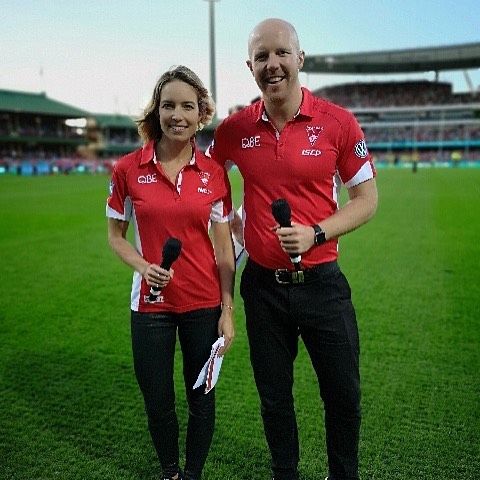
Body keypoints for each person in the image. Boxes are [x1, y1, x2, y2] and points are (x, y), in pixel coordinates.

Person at [208, 19, 378, 480]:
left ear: (299, 58)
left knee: (343, 395)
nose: (272, 64)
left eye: (281, 53)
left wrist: (316, 233)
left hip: (323, 284)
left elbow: (367, 200)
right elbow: (206, 178)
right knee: (274, 398)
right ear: (250, 67)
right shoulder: (234, 129)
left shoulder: (338, 123)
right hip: (263, 289)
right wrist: (231, 222)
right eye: (261, 56)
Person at [106, 65, 235, 480]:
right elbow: (115, 237)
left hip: (203, 303)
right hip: (150, 306)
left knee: (202, 400)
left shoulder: (214, 174)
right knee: (158, 402)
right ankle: (170, 472)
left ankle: (192, 474)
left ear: (201, 114)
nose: (177, 115)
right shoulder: (127, 169)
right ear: (156, 111)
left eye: (187, 106)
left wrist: (228, 309)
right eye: (168, 106)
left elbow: (224, 249)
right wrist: (144, 267)